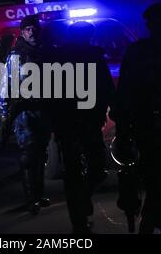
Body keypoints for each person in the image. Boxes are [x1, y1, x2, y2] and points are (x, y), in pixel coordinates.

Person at [110, 3, 161, 234]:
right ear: (151, 24)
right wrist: (123, 125)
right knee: (156, 177)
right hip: (146, 122)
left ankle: (155, 223)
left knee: (160, 177)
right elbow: (126, 90)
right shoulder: (140, 51)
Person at [49, 21, 114, 233]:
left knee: (86, 169)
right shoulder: (73, 57)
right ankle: (79, 219)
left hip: (81, 121)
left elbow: (105, 87)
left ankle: (81, 206)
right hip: (76, 121)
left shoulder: (90, 56)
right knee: (79, 170)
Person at [0, 15, 51, 215]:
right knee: (28, 156)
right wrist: (5, 114)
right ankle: (31, 200)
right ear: (22, 32)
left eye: (35, 28)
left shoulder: (45, 52)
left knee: (40, 154)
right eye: (28, 29)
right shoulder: (16, 55)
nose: (33, 32)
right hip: (23, 112)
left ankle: (39, 195)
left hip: (43, 110)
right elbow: (5, 86)